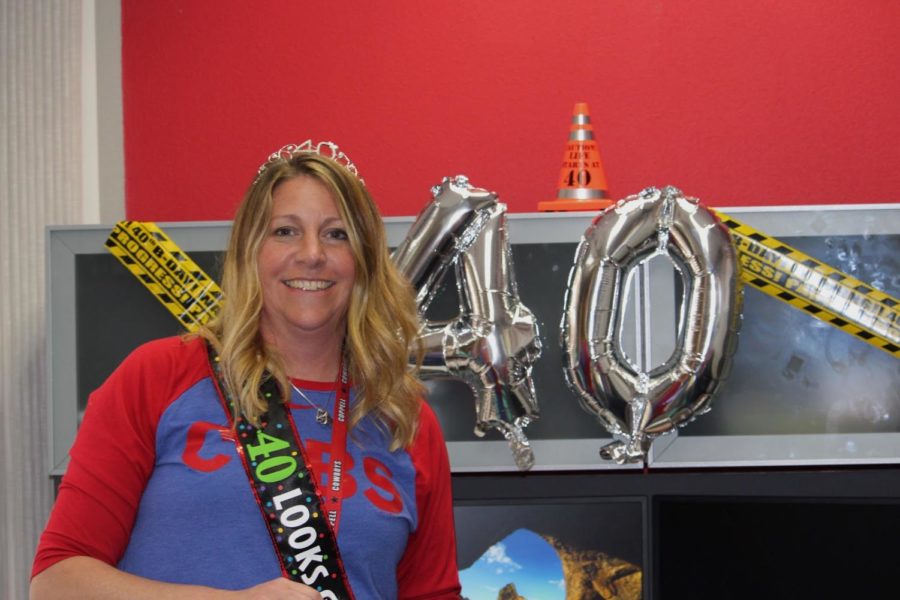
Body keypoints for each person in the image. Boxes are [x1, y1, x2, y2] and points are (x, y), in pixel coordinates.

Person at [31, 141, 462, 599]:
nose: (312, 253)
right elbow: (57, 581)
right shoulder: (158, 376)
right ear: (248, 251)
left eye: (336, 234)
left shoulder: (404, 418)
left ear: (366, 260)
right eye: (285, 231)